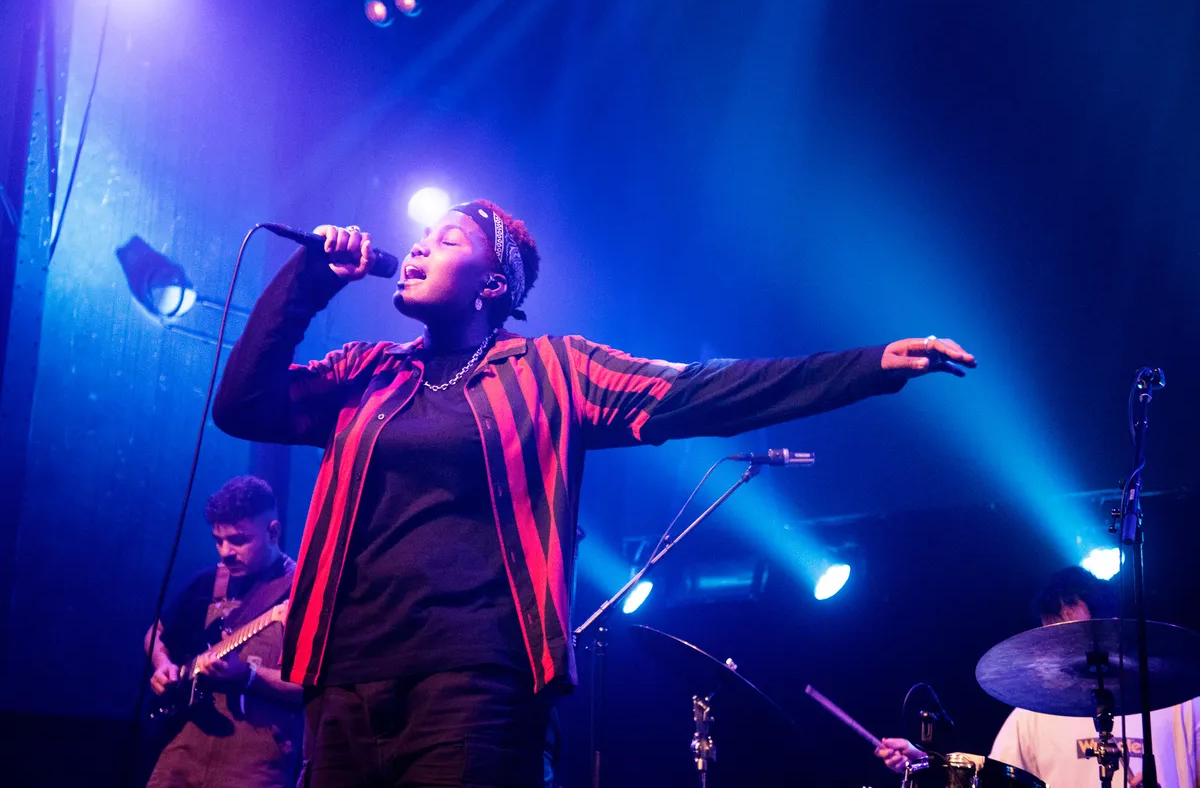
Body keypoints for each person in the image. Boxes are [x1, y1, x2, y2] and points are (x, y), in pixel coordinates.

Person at [211, 199, 976, 788]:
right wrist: (309, 281)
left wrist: (866, 367)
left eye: (447, 241)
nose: (417, 247)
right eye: (420, 238)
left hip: (475, 682)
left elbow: (701, 391)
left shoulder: (553, 370)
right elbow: (242, 405)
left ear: (492, 285)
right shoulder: (366, 372)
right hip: (343, 679)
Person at [875, 566, 1200, 788]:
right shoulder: (1032, 714)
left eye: (1075, 634)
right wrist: (928, 764)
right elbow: (991, 781)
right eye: (1053, 638)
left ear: (1112, 626)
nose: (1065, 649)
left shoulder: (1181, 701)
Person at [144, 475, 303, 788]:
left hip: (254, 763)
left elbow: (310, 685)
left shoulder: (303, 593)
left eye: (239, 540)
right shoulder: (206, 582)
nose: (225, 552)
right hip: (181, 748)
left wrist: (247, 676)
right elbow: (156, 633)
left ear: (273, 532)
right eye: (218, 540)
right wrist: (163, 666)